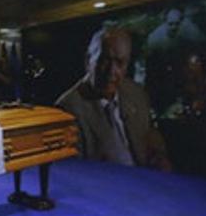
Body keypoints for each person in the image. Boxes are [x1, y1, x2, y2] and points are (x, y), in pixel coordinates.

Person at [56, 26, 171, 170]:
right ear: (88, 61)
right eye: (104, 60)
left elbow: (149, 134)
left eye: (120, 63)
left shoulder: (136, 93)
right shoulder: (67, 111)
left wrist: (158, 155)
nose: (112, 71)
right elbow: (74, 172)